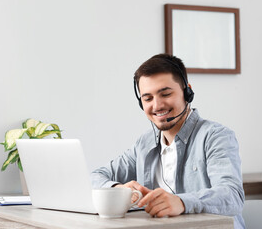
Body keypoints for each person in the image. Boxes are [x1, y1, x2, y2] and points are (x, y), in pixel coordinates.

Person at [91, 53, 245, 228]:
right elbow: (95, 176)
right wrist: (118, 189)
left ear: (187, 92)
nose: (157, 106)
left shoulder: (216, 136)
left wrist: (182, 202)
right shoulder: (144, 144)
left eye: (165, 94)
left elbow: (232, 196)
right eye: (148, 98)